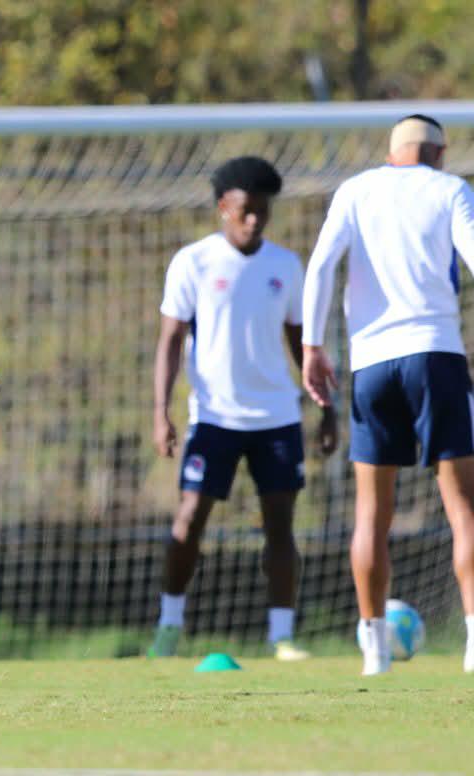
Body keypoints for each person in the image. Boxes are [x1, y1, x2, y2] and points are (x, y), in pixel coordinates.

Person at [303, 114, 474, 675]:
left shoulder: (356, 190)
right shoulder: (450, 190)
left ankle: (374, 650)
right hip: (436, 356)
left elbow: (323, 264)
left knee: (371, 513)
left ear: (392, 150)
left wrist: (311, 345)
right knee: (463, 508)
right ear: (440, 153)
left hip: (371, 365)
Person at [150, 156, 337, 661]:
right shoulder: (194, 262)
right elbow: (170, 341)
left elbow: (303, 345)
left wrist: (327, 407)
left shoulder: (285, 266)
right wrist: (160, 412)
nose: (254, 220)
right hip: (213, 418)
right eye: (246, 211)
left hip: (276, 417)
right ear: (223, 209)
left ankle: (281, 635)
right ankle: (168, 627)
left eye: (262, 212)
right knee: (189, 519)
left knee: (280, 525)